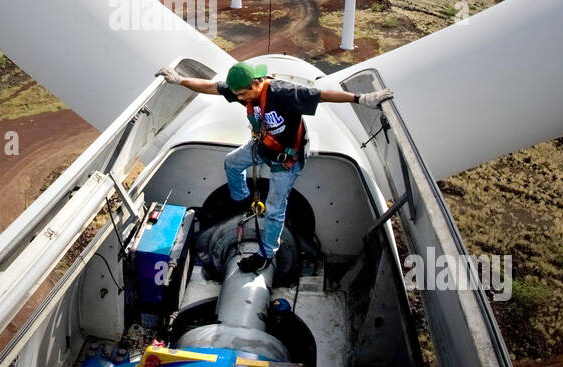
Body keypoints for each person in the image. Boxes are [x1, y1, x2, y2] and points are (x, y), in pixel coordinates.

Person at [156, 61, 392, 272]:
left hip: (286, 160)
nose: (238, 98)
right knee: (232, 162)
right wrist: (179, 80)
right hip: (264, 146)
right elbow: (210, 87)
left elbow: (322, 95)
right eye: (235, 94)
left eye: (242, 94)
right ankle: (243, 200)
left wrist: (361, 99)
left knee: (274, 208)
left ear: (257, 83)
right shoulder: (242, 89)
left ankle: (267, 254)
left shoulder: (283, 93)